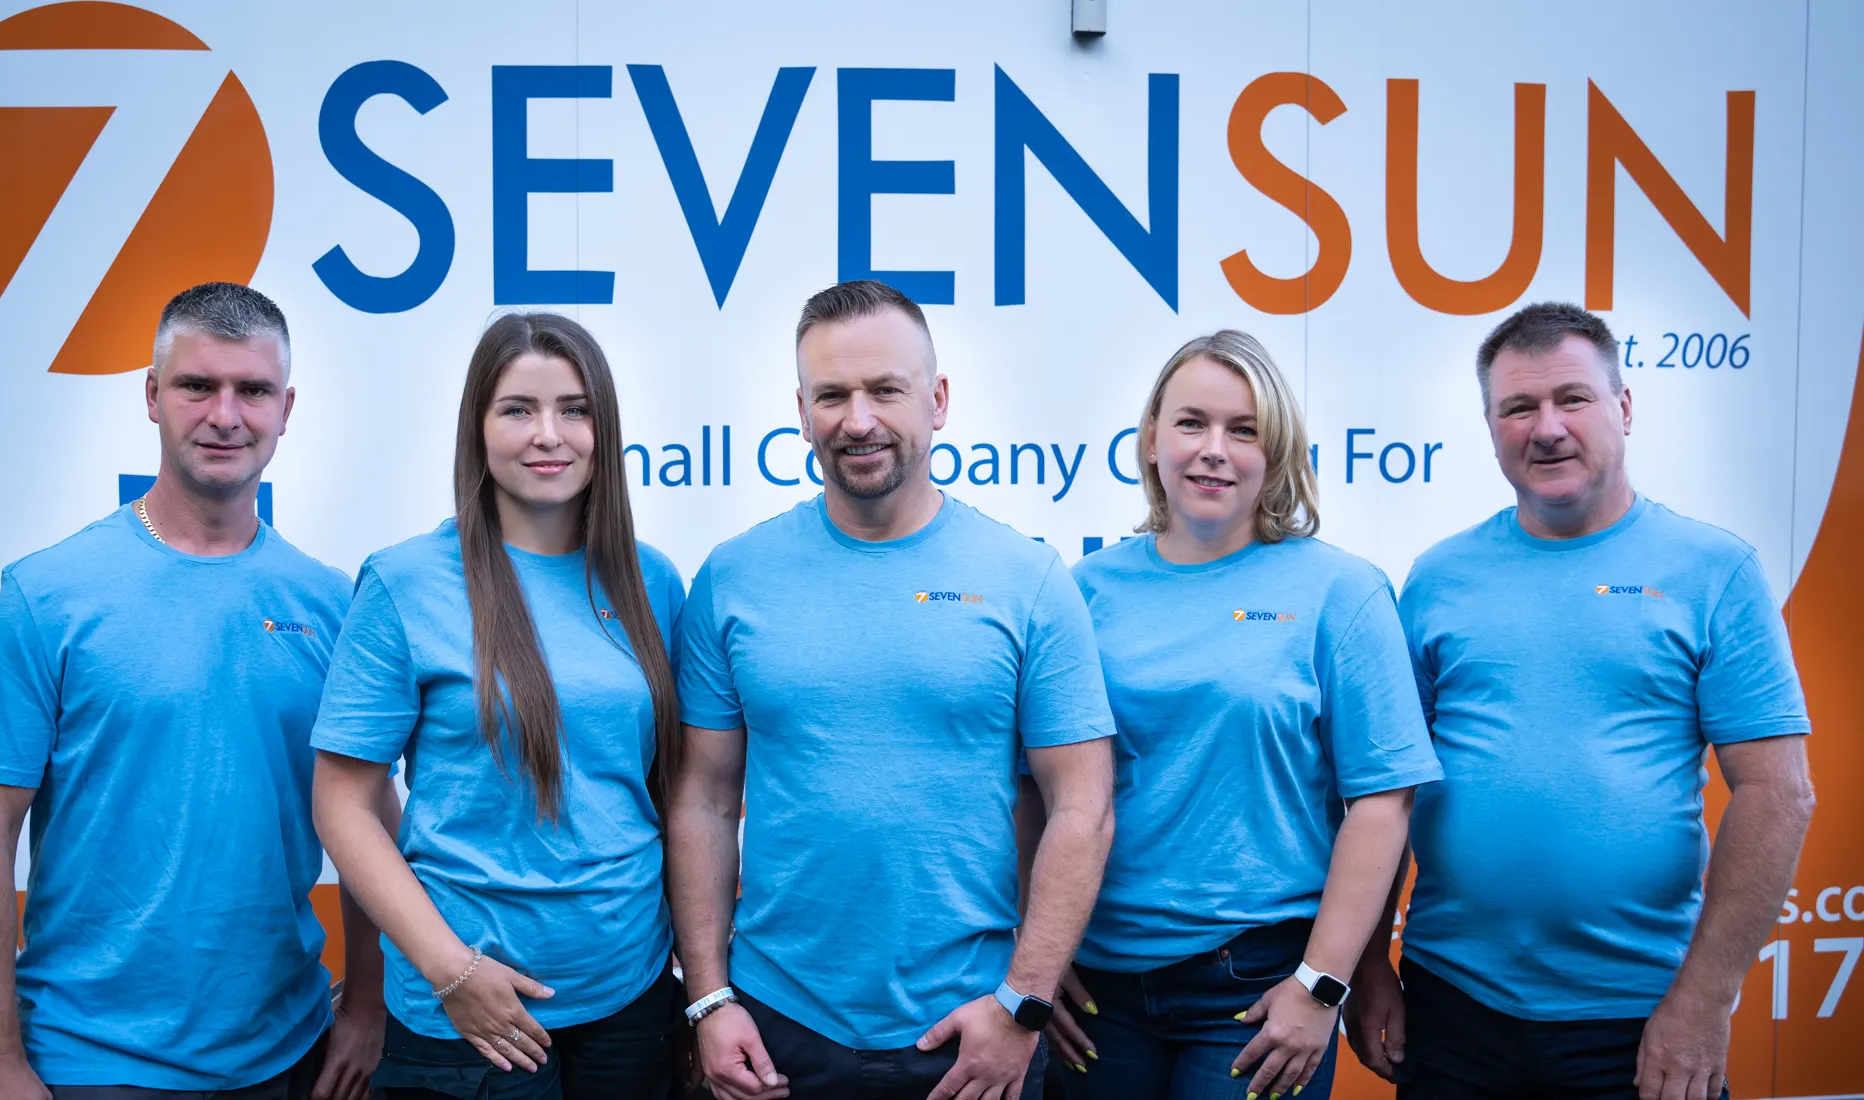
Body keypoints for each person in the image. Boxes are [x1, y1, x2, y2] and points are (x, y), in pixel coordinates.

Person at [1345, 302, 1816, 1100]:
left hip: (1642, 1016)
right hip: (1450, 1006)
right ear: (1490, 426)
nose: (1547, 428)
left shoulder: (1714, 571)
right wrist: (1366, 967)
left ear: (1624, 407)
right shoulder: (1439, 576)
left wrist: (1705, 1001)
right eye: (1518, 408)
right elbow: (1386, 789)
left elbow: (1779, 794)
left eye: (1573, 399)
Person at [667, 279, 1117, 1100]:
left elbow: (1082, 807)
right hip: (776, 1027)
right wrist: (708, 999)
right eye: (832, 395)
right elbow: (703, 799)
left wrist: (1023, 1003)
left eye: (885, 390)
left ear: (937, 400)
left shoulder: (1027, 580)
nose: (858, 419)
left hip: (972, 1029)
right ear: (801, 411)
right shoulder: (733, 579)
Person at [0, 282, 389, 1100]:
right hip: (91, 1061)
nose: (226, 415)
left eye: (253, 390)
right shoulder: (47, 595)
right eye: (197, 386)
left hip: (290, 1053)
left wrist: (366, 1003)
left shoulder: (333, 604)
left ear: (286, 409)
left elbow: (370, 820)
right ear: (152, 395)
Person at [1027, 331, 1439, 1100]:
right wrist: (1040, 954)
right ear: (1152, 438)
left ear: (1274, 451)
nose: (1214, 450)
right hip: (1098, 990)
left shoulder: (1341, 591)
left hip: (1256, 990)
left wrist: (1321, 986)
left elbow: (1383, 803)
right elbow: (1037, 788)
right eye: (1192, 423)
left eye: (1243, 430)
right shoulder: (1083, 592)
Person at [310, 313, 687, 1100]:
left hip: (633, 998)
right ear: (477, 428)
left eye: (574, 410)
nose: (549, 434)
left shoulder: (651, 582)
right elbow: (342, 803)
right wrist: (450, 969)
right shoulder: (406, 583)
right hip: (468, 1016)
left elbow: (667, 789)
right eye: (518, 409)